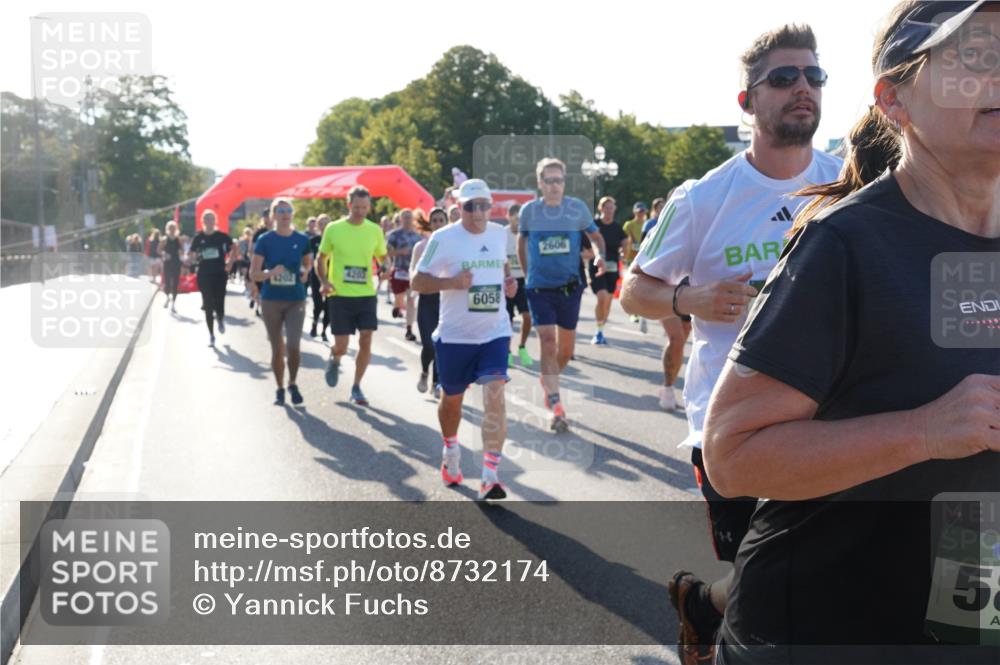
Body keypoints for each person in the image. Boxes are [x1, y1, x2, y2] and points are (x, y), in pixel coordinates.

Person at [702, 3, 999, 663]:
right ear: (895, 101)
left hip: (968, 621)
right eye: (975, 58)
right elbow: (733, 451)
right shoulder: (843, 246)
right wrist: (924, 430)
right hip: (819, 628)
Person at [620, 23, 843, 664]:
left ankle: (701, 605)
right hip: (734, 428)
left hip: (834, 419)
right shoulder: (704, 198)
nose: (802, 87)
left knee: (807, 575)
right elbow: (636, 290)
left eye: (813, 76)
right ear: (747, 102)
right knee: (770, 588)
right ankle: (712, 616)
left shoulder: (847, 186)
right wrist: (689, 300)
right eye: (783, 77)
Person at [412, 179, 519, 501]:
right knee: (452, 400)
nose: (478, 212)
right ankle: (451, 450)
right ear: (459, 208)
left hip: (494, 333)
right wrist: (452, 281)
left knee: (495, 395)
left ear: (491, 207)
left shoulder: (501, 235)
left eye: (483, 205)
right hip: (455, 336)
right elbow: (417, 280)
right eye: (471, 206)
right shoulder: (443, 238)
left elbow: (504, 269)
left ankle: (489, 476)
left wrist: (509, 283)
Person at [518, 157, 607, 433]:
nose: (555, 185)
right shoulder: (529, 212)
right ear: (540, 183)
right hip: (539, 287)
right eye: (549, 180)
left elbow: (596, 237)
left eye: (559, 180)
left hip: (569, 287)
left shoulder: (576, 208)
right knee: (547, 341)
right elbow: (522, 243)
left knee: (566, 350)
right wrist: (527, 274)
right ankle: (556, 406)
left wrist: (601, 255)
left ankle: (549, 378)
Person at [316, 185, 387, 406]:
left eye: (364, 207)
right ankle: (335, 357)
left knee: (366, 338)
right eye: (356, 207)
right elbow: (322, 258)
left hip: (366, 294)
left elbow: (383, 256)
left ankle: (356, 386)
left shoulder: (374, 230)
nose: (360, 212)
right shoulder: (334, 229)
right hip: (339, 295)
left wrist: (388, 266)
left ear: (369, 207)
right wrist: (324, 281)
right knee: (343, 345)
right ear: (349, 205)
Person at [250, 198, 312, 406]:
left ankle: (293, 382)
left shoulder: (302, 239)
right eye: (281, 211)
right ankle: (279, 387)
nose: (285, 214)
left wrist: (305, 272)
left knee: (293, 345)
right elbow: (254, 274)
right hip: (271, 300)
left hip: (296, 298)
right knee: (278, 348)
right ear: (274, 216)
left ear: (292, 214)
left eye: (288, 210)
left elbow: (307, 262)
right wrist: (271, 273)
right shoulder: (265, 240)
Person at [410, 207, 448, 396]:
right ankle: (425, 372)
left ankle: (437, 383)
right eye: (435, 221)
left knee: (441, 345)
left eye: (442, 220)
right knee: (428, 344)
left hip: (446, 300)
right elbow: (413, 273)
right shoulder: (421, 247)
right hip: (427, 298)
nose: (438, 224)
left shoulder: (454, 245)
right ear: (430, 224)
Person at [190, 210, 237, 347]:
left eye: (211, 219)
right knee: (208, 304)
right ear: (202, 221)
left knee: (219, 300)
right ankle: (211, 334)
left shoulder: (222, 236)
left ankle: (220, 318)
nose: (209, 221)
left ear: (215, 221)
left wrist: (230, 262)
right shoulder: (198, 238)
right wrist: (193, 258)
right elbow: (192, 254)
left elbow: (234, 248)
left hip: (220, 273)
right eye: (206, 219)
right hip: (204, 274)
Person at [588, 196, 627, 346]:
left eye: (612, 208)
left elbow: (624, 242)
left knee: (608, 301)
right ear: (601, 209)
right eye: (606, 207)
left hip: (612, 267)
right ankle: (598, 331)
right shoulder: (594, 225)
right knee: (602, 296)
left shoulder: (617, 228)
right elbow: (586, 243)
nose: (609, 210)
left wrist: (624, 250)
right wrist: (592, 255)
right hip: (597, 267)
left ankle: (601, 329)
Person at [386, 208, 423, 341]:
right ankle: (397, 306)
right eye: (405, 217)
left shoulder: (417, 236)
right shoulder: (394, 235)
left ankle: (409, 329)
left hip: (412, 272)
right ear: (400, 219)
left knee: (411, 300)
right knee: (399, 298)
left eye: (409, 217)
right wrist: (399, 252)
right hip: (399, 271)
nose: (407, 219)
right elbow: (387, 253)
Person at [504, 203, 533, 367]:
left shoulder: (527, 235)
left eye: (520, 219)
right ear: (508, 217)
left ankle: (522, 347)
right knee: (508, 320)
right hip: (507, 281)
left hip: (523, 281)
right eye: (515, 219)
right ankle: (507, 351)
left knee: (528, 317)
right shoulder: (502, 234)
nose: (517, 222)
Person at [308, 214, 331, 341]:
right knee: (318, 304)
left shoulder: (335, 241)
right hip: (316, 275)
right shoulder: (313, 241)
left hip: (331, 276)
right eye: (321, 223)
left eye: (327, 222)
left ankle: (324, 331)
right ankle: (314, 324)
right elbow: (310, 259)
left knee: (329, 305)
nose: (324, 225)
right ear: (318, 225)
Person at [250, 209, 274, 316]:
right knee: (259, 287)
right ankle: (258, 305)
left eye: (270, 215)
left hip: (275, 265)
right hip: (260, 264)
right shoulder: (259, 233)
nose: (268, 218)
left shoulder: (281, 231)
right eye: (266, 216)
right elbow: (252, 250)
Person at [161, 221, 182, 311]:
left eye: (174, 228)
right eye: (170, 228)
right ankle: (167, 298)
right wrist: (164, 254)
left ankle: (173, 303)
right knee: (167, 282)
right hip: (167, 262)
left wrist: (181, 252)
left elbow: (182, 250)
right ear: (168, 229)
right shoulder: (165, 239)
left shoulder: (178, 239)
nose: (172, 230)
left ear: (176, 229)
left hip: (176, 262)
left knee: (175, 283)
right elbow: (159, 250)